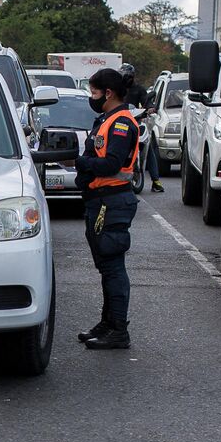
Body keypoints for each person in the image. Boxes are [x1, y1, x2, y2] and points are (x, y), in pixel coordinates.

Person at [74, 65, 143, 350]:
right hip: (102, 200)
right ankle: (108, 323)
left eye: (94, 92)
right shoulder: (107, 119)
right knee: (107, 267)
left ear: (109, 92)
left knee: (113, 267)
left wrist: (79, 163)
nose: (92, 97)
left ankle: (118, 330)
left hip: (113, 201)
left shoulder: (122, 122)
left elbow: (112, 163)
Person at [130, 84, 166, 193]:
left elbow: (146, 100)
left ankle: (156, 181)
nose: (127, 79)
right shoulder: (116, 89)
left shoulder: (139, 89)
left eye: (129, 76)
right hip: (119, 122)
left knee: (147, 146)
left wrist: (150, 108)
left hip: (135, 121)